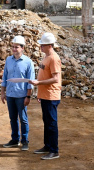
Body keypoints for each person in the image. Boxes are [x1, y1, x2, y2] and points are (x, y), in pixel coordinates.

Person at [29, 32, 61, 160]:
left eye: (42, 45)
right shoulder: (46, 56)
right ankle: (47, 146)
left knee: (52, 123)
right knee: (47, 122)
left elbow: (55, 79)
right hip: (45, 95)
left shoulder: (54, 58)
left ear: (49, 45)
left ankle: (54, 150)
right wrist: (39, 93)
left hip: (51, 96)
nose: (40, 47)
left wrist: (39, 83)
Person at [1, 36, 35, 151]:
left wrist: (28, 96)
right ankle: (15, 139)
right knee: (12, 118)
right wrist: (2, 92)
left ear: (22, 48)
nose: (14, 49)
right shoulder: (8, 60)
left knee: (23, 119)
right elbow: (5, 76)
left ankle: (24, 141)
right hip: (10, 95)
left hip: (21, 96)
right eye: (13, 47)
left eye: (16, 47)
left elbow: (30, 81)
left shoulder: (28, 62)